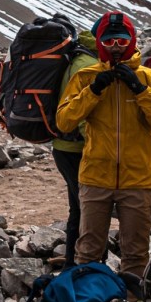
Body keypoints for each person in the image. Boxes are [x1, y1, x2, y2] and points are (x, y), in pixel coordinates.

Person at [56, 11, 151, 291]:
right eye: (109, 42)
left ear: (132, 41)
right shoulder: (86, 77)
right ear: (100, 43)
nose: (116, 48)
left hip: (137, 179)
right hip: (96, 177)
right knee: (88, 249)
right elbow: (64, 121)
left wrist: (140, 90)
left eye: (122, 41)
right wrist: (94, 91)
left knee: (135, 250)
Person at [49, 30, 97, 268]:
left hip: (64, 147)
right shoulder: (88, 66)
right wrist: (97, 145)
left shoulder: (77, 59)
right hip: (77, 148)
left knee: (78, 208)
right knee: (88, 210)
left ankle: (72, 262)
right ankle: (83, 265)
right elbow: (81, 115)